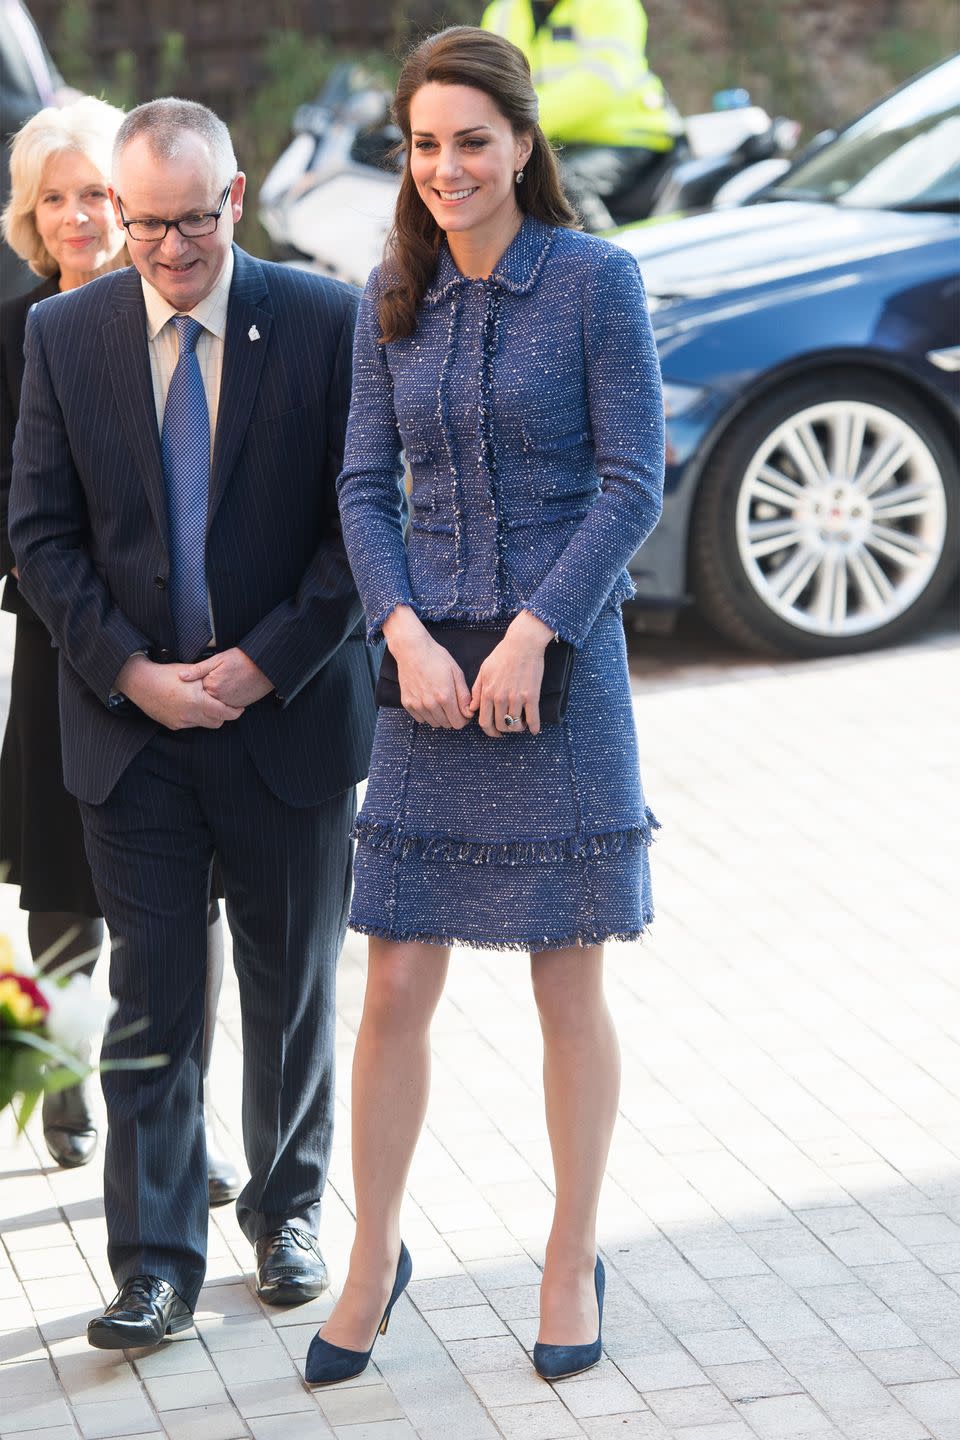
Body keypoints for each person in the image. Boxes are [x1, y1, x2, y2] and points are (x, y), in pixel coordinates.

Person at [309, 25, 664, 1386]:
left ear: (523, 146)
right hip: (425, 675)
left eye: (472, 140)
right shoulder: (386, 292)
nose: (446, 166)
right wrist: (399, 628)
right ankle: (371, 1254)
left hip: (557, 669)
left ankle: (571, 1254)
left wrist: (529, 634)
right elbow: (360, 490)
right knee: (396, 978)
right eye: (424, 143)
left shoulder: (593, 282)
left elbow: (634, 478)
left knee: (563, 972)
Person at [9, 96, 377, 1348]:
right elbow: (41, 534)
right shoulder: (65, 334)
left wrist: (265, 664)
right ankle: (153, 1265)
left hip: (289, 721)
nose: (168, 250)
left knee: (292, 991)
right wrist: (129, 670)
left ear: (235, 200)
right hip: (132, 733)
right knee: (153, 1002)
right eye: (142, 223)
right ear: (115, 211)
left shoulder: (326, 321)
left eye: (190, 222)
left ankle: (286, 1214)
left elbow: (356, 523)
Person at [0, 96, 240, 1204]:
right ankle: (60, 1067)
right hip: (65, 656)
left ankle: (189, 1121)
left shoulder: (193, 315)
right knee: (62, 892)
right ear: (32, 218)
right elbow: (23, 523)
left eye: (99, 193)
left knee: (189, 910)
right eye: (58, 198)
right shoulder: (26, 337)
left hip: (189, 663)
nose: (83, 216)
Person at [481, 0, 682, 229]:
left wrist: (519, 121)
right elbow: (491, 87)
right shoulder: (503, 12)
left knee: (557, 182)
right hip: (551, 142)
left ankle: (606, 261)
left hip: (630, 138)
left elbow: (601, 82)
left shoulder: (608, 4)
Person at [0, 0, 79, 300]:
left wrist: (65, 95)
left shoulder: (14, 7)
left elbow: (43, 77)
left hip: (40, 169)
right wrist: (49, 112)